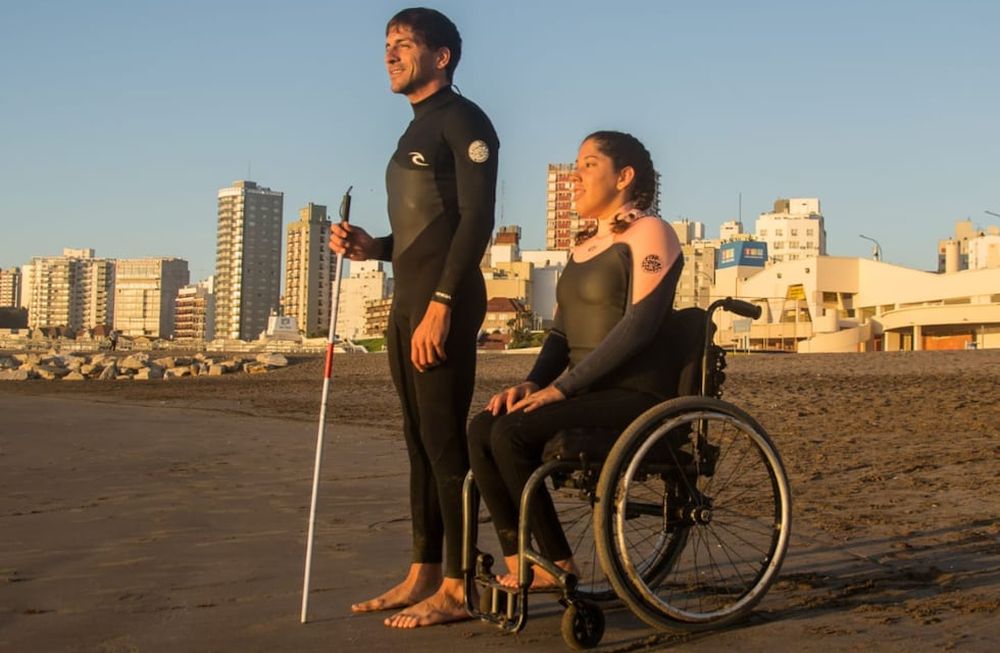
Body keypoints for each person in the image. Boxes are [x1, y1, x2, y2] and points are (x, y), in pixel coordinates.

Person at [328, 7, 498, 629]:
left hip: (441, 304)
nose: (390, 54)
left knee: (445, 439)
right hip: (408, 299)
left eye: (404, 44)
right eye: (387, 44)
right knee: (417, 439)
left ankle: (458, 584)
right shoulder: (412, 132)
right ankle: (424, 569)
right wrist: (371, 247)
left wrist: (443, 306)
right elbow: (421, 233)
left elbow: (474, 222)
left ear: (442, 56)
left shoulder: (466, 122)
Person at [467, 131, 683, 588]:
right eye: (576, 164)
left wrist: (561, 389)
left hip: (638, 394)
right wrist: (532, 382)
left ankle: (558, 563)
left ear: (624, 176)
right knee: (484, 425)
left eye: (588, 164)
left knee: (511, 432)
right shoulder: (582, 247)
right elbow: (562, 334)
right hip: (588, 389)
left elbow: (639, 325)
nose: (575, 175)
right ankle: (520, 560)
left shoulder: (652, 233)